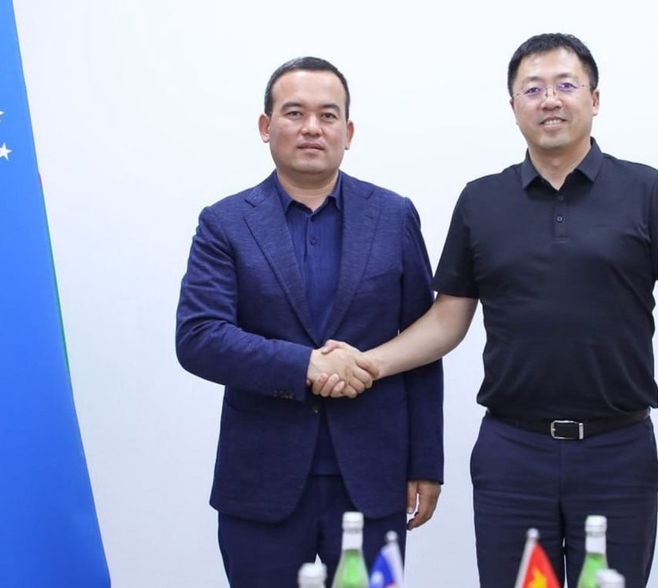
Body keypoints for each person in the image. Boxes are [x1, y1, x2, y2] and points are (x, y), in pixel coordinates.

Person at [315, 33, 658, 587]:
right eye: (533, 89)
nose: (550, 100)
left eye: (565, 85)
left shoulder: (647, 190)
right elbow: (448, 318)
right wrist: (368, 362)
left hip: (618, 451)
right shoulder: (481, 200)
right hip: (513, 452)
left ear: (595, 99)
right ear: (513, 107)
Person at [175, 56, 444, 588]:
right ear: (266, 126)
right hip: (262, 481)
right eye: (294, 113)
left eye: (327, 115)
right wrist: (305, 365)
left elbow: (422, 340)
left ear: (349, 131)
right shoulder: (225, 223)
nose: (311, 128)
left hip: (374, 479)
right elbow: (200, 337)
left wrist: (426, 461)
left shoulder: (393, 216)